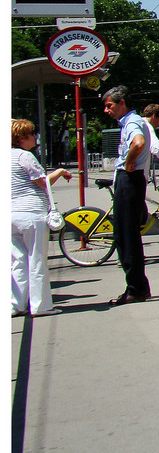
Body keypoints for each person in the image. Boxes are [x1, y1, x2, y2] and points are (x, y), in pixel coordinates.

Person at [12, 119, 72, 317]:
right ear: (21, 138)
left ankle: (15, 304)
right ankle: (41, 306)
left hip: (10, 214)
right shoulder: (24, 156)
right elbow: (42, 182)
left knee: (17, 261)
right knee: (36, 260)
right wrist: (59, 172)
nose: (35, 137)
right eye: (31, 134)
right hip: (31, 213)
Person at [103, 86, 152, 307]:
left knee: (125, 236)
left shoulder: (132, 122)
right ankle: (137, 286)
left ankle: (135, 288)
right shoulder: (131, 122)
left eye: (109, 105)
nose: (106, 110)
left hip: (129, 180)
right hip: (130, 181)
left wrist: (129, 161)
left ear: (122, 103)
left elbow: (139, 143)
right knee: (127, 234)